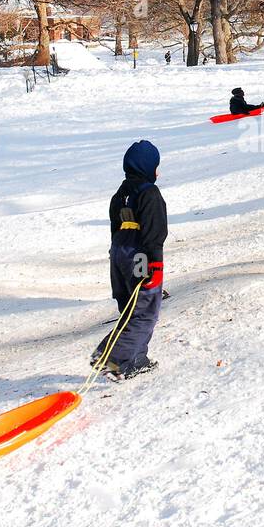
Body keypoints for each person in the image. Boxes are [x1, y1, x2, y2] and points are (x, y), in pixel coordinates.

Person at [92, 140, 166, 379]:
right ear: (146, 167)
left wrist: (118, 257)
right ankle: (112, 357)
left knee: (129, 307)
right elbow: (155, 231)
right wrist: (154, 264)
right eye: (156, 166)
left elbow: (115, 227)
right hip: (140, 254)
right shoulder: (149, 193)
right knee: (145, 310)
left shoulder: (119, 194)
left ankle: (135, 358)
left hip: (119, 254)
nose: (158, 172)